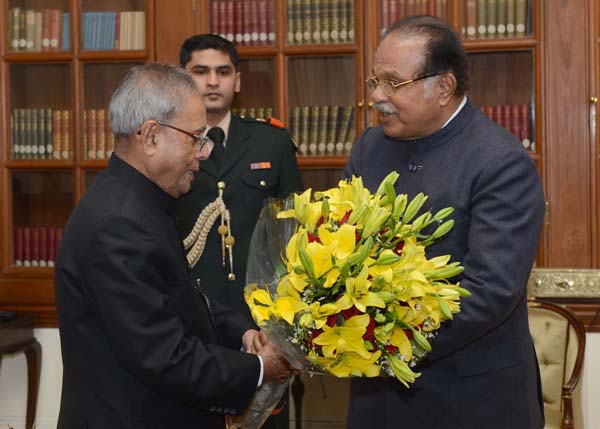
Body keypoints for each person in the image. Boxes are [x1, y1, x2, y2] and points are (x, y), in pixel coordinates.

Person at [54, 63, 292, 429]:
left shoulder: (142, 203)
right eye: (196, 138)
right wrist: (260, 367)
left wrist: (241, 331)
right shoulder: (117, 224)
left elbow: (180, 298)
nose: (205, 152)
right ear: (150, 136)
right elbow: (165, 357)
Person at [343, 16, 545, 429]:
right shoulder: (370, 148)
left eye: (392, 83)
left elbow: (488, 291)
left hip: (471, 398)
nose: (378, 96)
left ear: (444, 87)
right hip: (378, 397)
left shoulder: (500, 161)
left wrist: (385, 337)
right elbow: (339, 243)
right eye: (374, 81)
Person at [176, 34, 304, 319]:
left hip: (260, 304)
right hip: (192, 303)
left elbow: (294, 227)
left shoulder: (272, 142)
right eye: (200, 72)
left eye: (223, 72)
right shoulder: (170, 142)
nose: (212, 81)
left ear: (237, 81)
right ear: (183, 80)